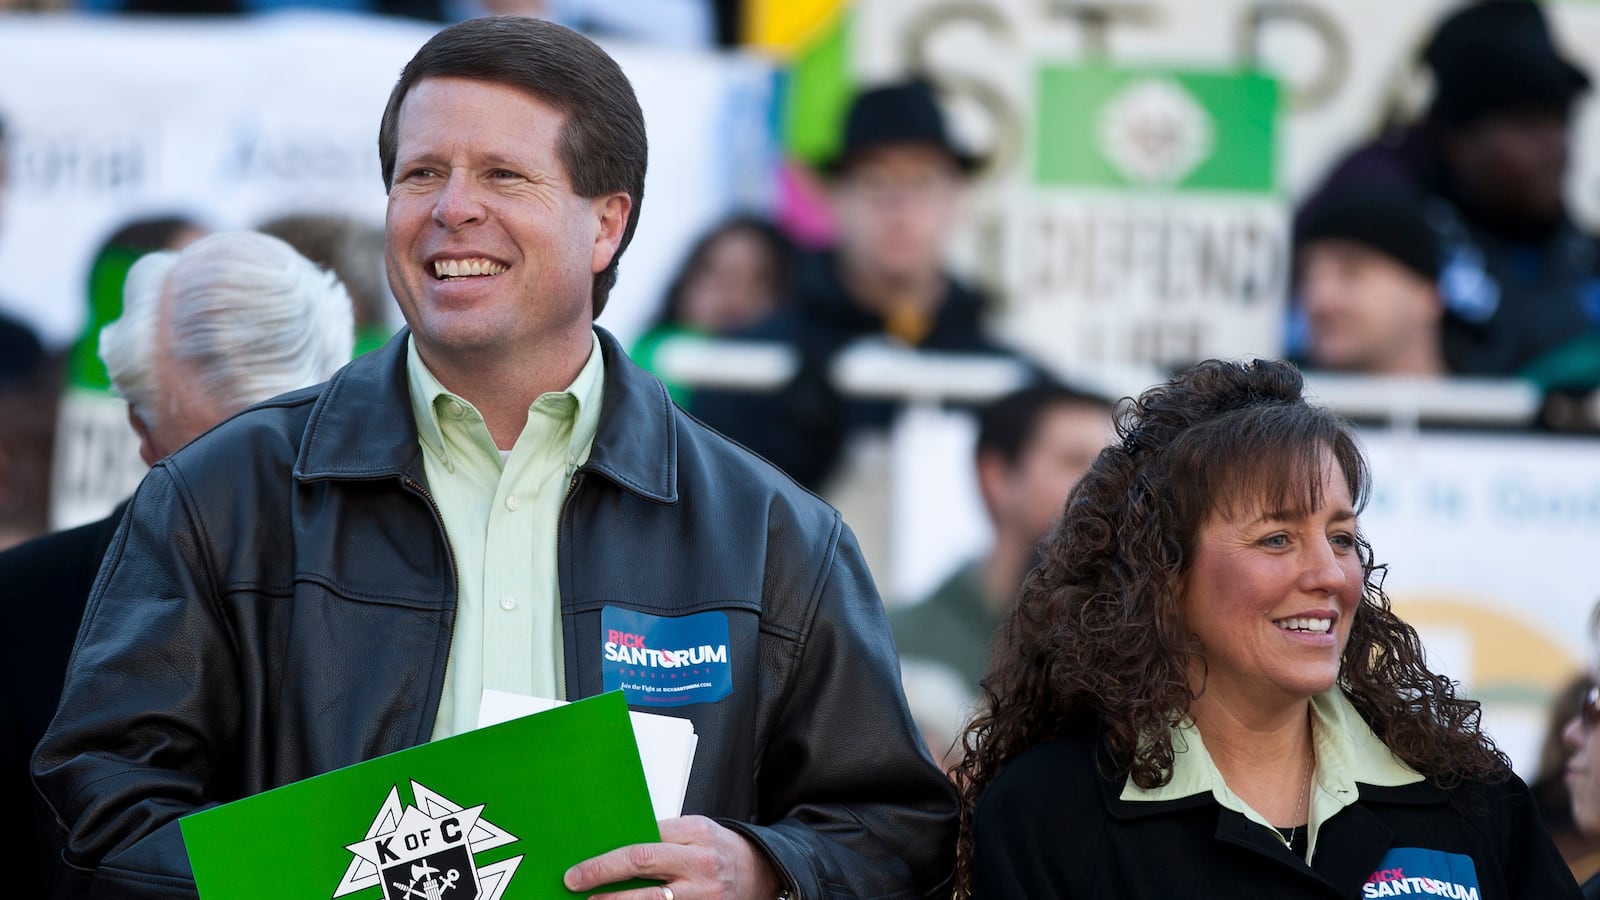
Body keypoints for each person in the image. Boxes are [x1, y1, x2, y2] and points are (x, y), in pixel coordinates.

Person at [33, 17, 956, 900]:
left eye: (504, 175)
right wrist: (318, 880)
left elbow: (896, 832)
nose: (452, 208)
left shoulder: (772, 534)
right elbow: (95, 817)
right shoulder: (220, 496)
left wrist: (763, 871)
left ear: (606, 225)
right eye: (420, 172)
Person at [956, 358, 1580, 898]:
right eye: (1277, 539)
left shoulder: (1470, 799)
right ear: (1163, 573)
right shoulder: (1049, 816)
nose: (1331, 575)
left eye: (1341, 538)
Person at [0, 230, 355, 898]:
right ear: (139, 430)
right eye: (214, 460)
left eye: (279, 448)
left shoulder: (420, 585)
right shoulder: (22, 610)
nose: (246, 485)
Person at [692, 78, 1014, 491]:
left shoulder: (1007, 375)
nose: (900, 208)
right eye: (875, 181)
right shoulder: (746, 365)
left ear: (957, 198)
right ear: (835, 197)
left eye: (922, 182)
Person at [1299, 0, 1600, 380]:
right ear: (1460, 139)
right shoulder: (1378, 202)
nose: (1555, 148)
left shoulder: (1577, 249)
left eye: (1561, 124)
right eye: (1527, 125)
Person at [891, 383, 1113, 689]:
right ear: (996, 476)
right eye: (1074, 461)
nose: (1104, 486)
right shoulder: (897, 644)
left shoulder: (1129, 643)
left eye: (1111, 466)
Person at [630, 214, 797, 406]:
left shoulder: (799, 368)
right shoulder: (651, 358)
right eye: (718, 276)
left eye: (759, 281)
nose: (736, 295)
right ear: (687, 282)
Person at [1294, 188, 1447, 377]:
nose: (1319, 299)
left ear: (1426, 297)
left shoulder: (1490, 396)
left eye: (1350, 272)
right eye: (1306, 277)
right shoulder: (1270, 399)